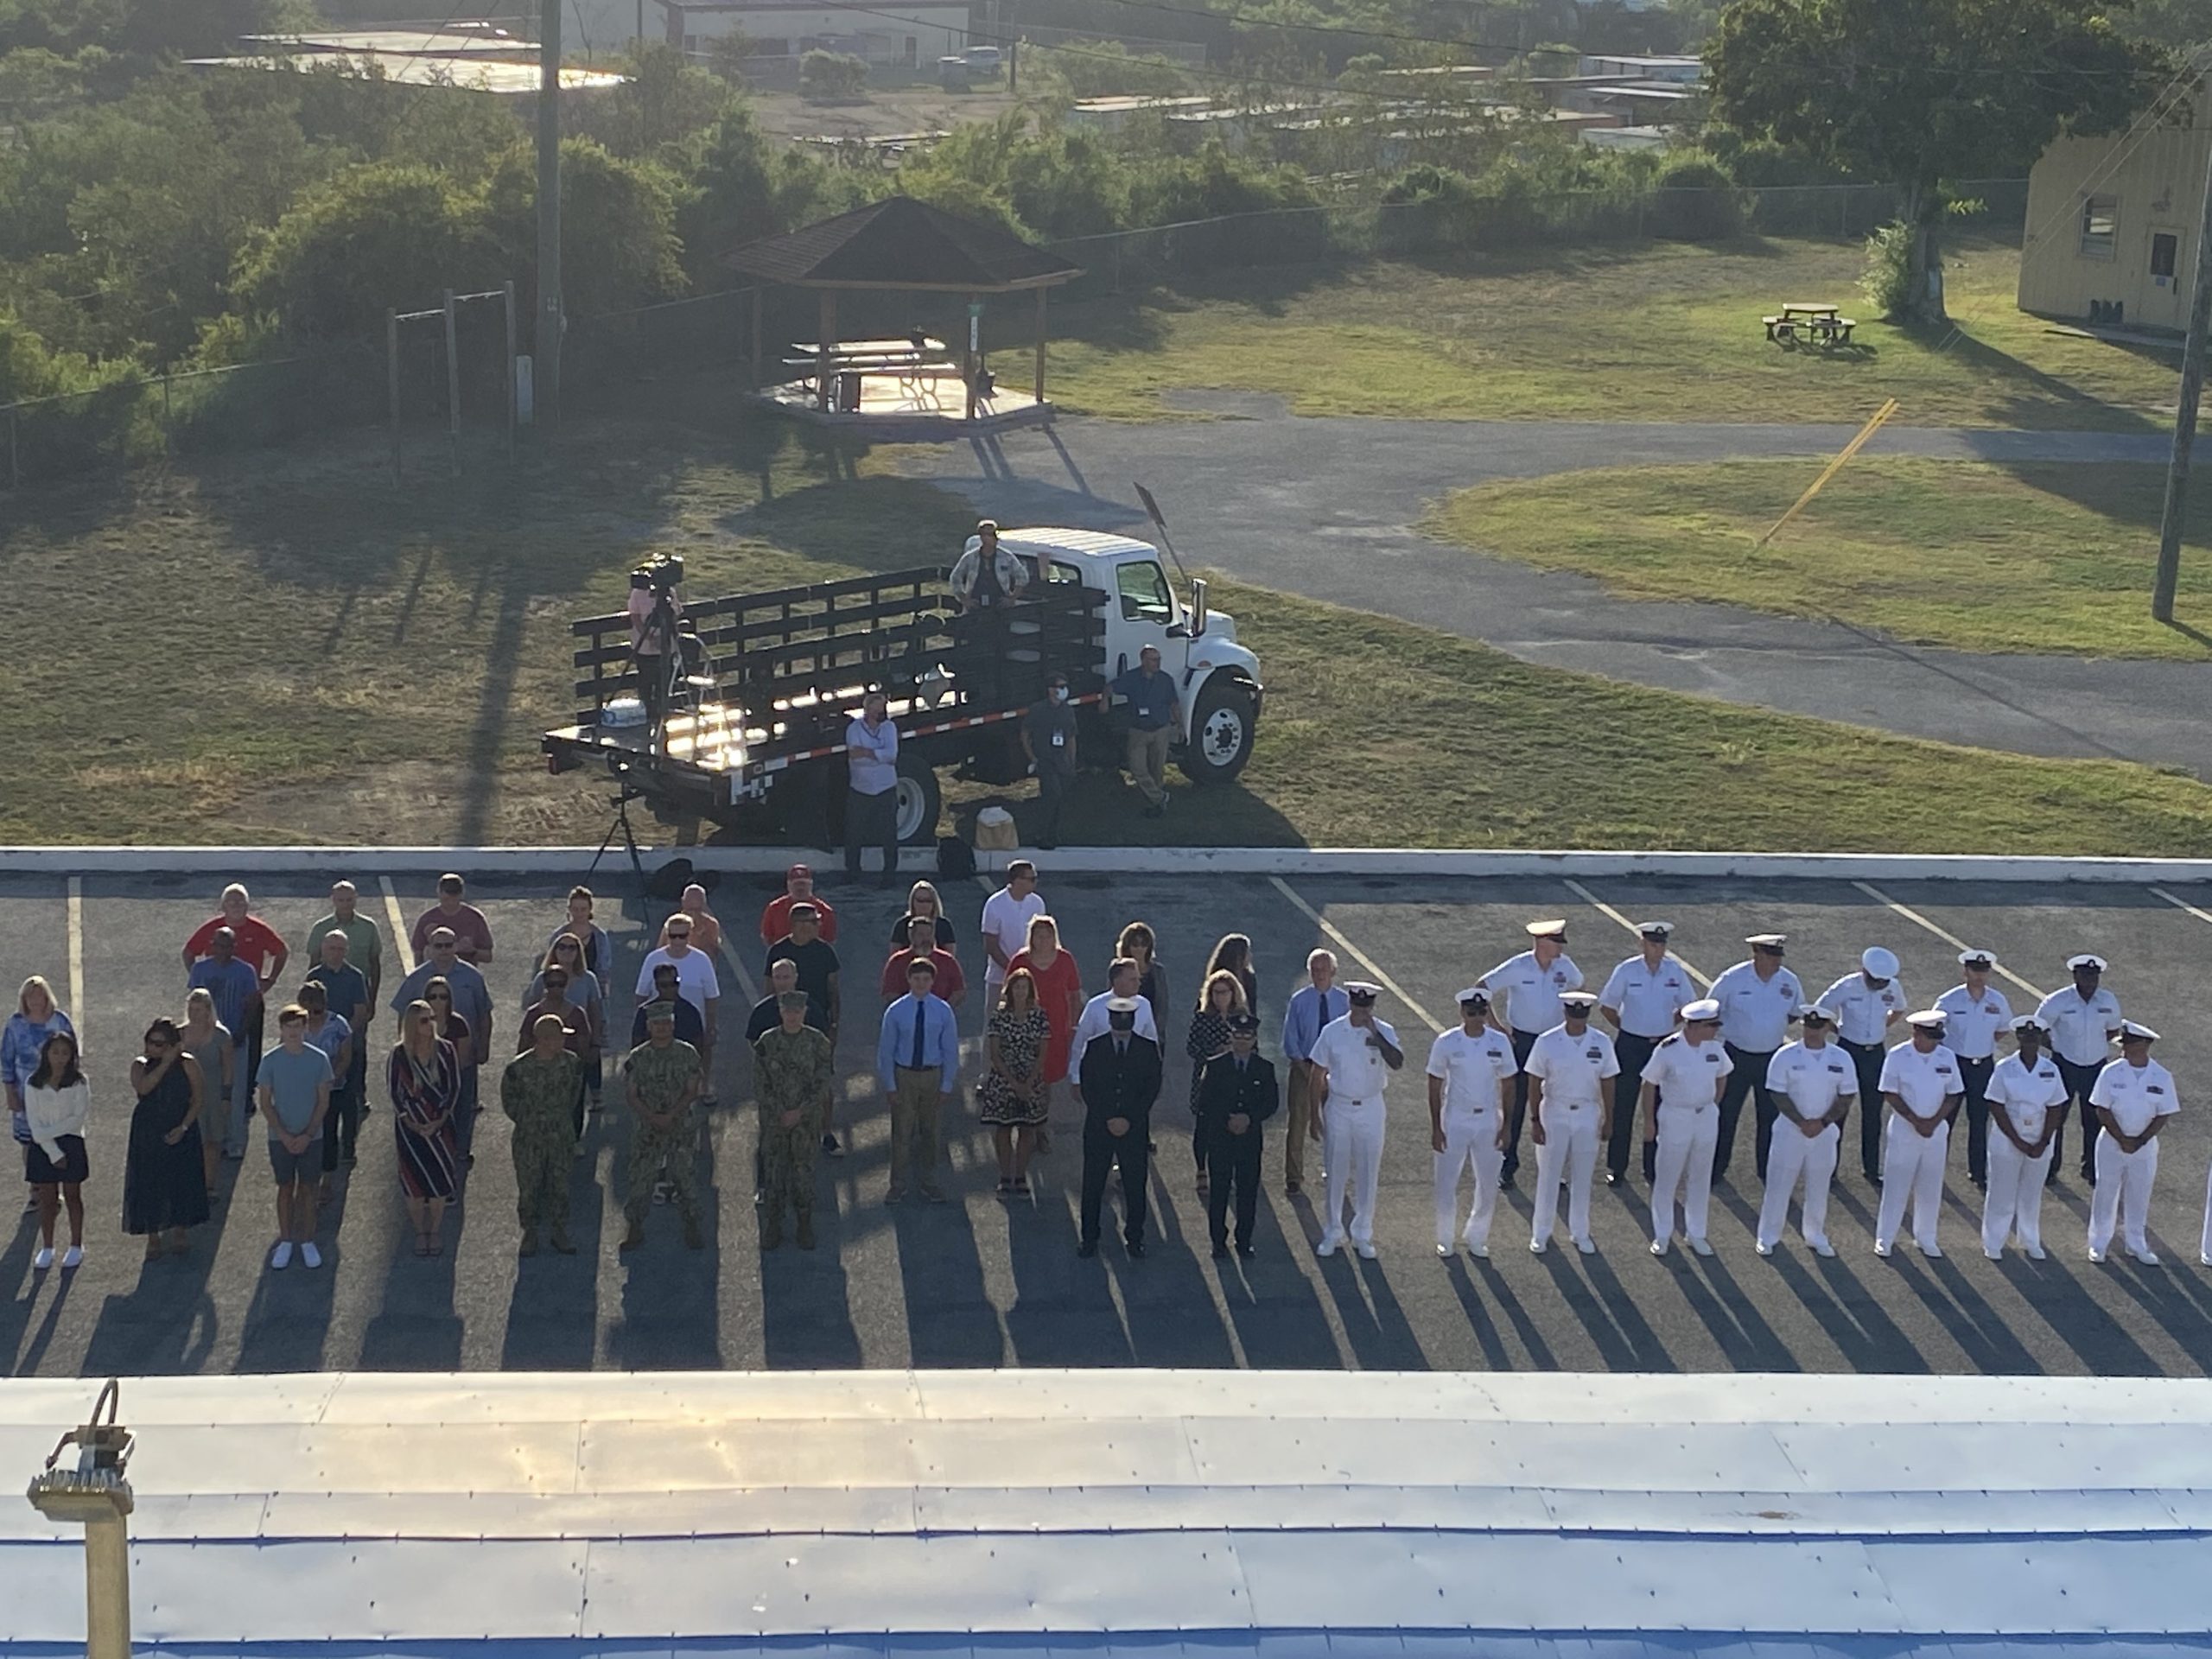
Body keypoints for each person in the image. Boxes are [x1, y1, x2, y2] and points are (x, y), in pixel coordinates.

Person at [1478, 919, 1585, 1187]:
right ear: (1542, 942)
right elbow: (1482, 987)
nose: (1560, 948)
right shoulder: (1519, 966)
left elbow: (1579, 987)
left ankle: (1552, 1167)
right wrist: (1497, 1026)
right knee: (1516, 1104)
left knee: (1553, 1102)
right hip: (1523, 1042)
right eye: (1556, 942)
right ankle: (1507, 1164)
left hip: (1554, 1043)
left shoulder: (1565, 967)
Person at [1597, 920, 1694, 1187]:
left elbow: (1688, 1007)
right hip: (1631, 1045)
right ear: (1642, 944)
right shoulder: (1627, 971)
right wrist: (1626, 1028)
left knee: (1660, 1107)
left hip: (1662, 1046)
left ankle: (1653, 1169)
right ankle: (1617, 1167)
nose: (1658, 949)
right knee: (1623, 1106)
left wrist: (1667, 1026)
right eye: (1653, 944)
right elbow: (1607, 1006)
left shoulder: (1674, 971)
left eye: (1662, 944)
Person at [1309, 982, 1402, 1259]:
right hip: (1339, 1106)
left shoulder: (1384, 1030)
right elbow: (1317, 1073)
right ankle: (1333, 1230)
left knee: (1368, 1171)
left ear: (1372, 1006)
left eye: (1367, 1006)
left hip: (1371, 1107)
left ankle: (1363, 1233)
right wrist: (1314, 1115)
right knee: (1336, 1171)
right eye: (1358, 1005)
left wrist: (1376, 1034)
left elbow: (1397, 1061)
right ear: (1350, 1003)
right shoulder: (1333, 1032)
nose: (1362, 1011)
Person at [1427, 987, 1518, 1259]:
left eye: (1481, 1012)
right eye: (1471, 1012)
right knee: (1446, 1181)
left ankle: (1477, 1235)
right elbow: (1434, 1083)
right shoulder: (1447, 1042)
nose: (1477, 1018)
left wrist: (1507, 1125)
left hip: (1488, 1118)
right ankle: (1445, 1237)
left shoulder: (1499, 1042)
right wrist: (1435, 1126)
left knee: (1488, 1183)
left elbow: (1509, 1083)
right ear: (1461, 1012)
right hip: (1455, 1117)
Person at [1525, 990, 1617, 1256]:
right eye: (1573, 1013)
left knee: (1583, 1176)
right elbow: (1533, 1080)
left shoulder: (1601, 1042)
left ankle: (1580, 1232)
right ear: (1565, 1012)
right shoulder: (1547, 1041)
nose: (1578, 1019)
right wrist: (1535, 1120)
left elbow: (1609, 1080)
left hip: (1587, 1112)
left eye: (1583, 1013)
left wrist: (1609, 1118)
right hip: (1555, 1110)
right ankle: (1541, 1232)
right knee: (1549, 1176)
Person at [1758, 1006, 1853, 1257]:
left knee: (1819, 1186)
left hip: (1824, 1133)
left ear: (1827, 1028)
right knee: (1779, 1184)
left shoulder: (1841, 1058)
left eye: (1817, 1027)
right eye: (1808, 1026)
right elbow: (1777, 1092)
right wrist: (1802, 1121)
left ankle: (1815, 1235)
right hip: (1790, 1130)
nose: (1811, 1032)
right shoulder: (1785, 1055)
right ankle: (1768, 1235)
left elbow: (1846, 1095)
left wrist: (1821, 1123)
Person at [1709, 935, 1802, 1186]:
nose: (1776, 962)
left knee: (1770, 1117)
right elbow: (1711, 1010)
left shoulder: (1788, 981)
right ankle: (1716, 1169)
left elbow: (1795, 1013)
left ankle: (1767, 1170)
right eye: (1771, 956)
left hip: (1771, 1058)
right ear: (1757, 954)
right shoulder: (1733, 979)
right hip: (1735, 1056)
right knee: (1726, 1114)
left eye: (1778, 956)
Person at [181, 884, 288, 1104]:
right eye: (232, 901)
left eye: (240, 901)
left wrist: (270, 980)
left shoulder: (258, 929)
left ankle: (247, 1092)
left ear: (248, 905)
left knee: (249, 1048)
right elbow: (189, 952)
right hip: (214, 1004)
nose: (237, 906)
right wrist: (198, 980)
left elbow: (281, 951)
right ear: (223, 906)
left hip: (250, 998)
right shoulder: (212, 928)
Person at [1642, 998, 1732, 1257]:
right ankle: (1662, 1234)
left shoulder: (1714, 1048)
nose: (1715, 1029)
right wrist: (1649, 1121)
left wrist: (1713, 1103)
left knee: (1701, 1177)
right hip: (1676, 1116)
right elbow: (1649, 1084)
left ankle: (1697, 1233)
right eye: (1711, 1025)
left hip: (1705, 1116)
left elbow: (1723, 1075)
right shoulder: (1668, 1049)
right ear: (1694, 1025)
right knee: (1667, 1177)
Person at [390, 930, 493, 1150]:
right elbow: (403, 1014)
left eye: (448, 945)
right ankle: (431, 1145)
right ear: (429, 948)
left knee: (464, 1105)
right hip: (423, 1057)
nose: (444, 950)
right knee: (430, 1104)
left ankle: (461, 1150)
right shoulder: (417, 978)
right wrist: (405, 1047)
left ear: (456, 946)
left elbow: (484, 1014)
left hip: (464, 1053)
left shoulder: (473, 977)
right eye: (438, 946)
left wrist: (484, 1046)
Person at [1077, 997, 1162, 1257]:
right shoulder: (1095, 1047)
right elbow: (1088, 1086)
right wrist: (1108, 1118)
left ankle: (1135, 1238)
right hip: (1100, 1126)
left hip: (1134, 1127)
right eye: (1117, 1023)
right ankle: (1089, 1238)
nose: (1122, 1029)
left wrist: (1128, 1119)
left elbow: (1151, 1088)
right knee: (1093, 1183)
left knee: (1135, 1185)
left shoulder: (1147, 1049)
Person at [1873, 1010, 1963, 1259]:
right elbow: (1890, 1092)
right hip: (1905, 1129)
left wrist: (1934, 1121)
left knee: (1931, 1186)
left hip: (1935, 1131)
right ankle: (1885, 1238)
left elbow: (1954, 1093)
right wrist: (1915, 1120)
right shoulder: (1898, 1056)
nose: (1934, 1042)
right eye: (1929, 1036)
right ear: (1916, 1032)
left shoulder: (1947, 1056)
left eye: (1936, 1036)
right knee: (1896, 1185)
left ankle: (1926, 1237)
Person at [2087, 1020, 2177, 1266]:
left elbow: (2163, 1114)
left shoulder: (2161, 1075)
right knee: (2106, 1191)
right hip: (2112, 1143)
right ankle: (2099, 1242)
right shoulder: (2111, 1071)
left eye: (2130, 1043)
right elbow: (2102, 1109)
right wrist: (2122, 1138)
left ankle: (2136, 1242)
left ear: (2145, 1044)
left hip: (2144, 1147)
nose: (2124, 1047)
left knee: (2139, 1194)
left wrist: (2141, 1140)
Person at [622, 1002, 706, 1251]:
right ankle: (635, 1228)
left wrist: (671, 1115)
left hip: (680, 1127)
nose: (662, 1028)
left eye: (666, 1023)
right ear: (649, 1027)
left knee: (685, 1178)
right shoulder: (637, 1057)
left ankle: (692, 1226)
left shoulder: (688, 1053)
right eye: (657, 1024)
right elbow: (631, 1094)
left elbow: (692, 1090)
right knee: (641, 1179)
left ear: (673, 1025)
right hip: (647, 1129)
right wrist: (652, 1117)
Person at [875, 957, 960, 1204]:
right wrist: (890, 1086)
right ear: (909, 980)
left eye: (926, 979)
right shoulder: (896, 1011)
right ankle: (898, 1183)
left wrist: (946, 1085)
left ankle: (929, 1181)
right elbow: (886, 1051)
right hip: (905, 1075)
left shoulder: (943, 1011)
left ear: (932, 981)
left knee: (931, 1131)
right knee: (902, 1131)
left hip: (931, 1075)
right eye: (916, 979)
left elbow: (950, 1050)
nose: (921, 983)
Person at [1982, 1014, 2067, 1261]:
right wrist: (2017, 1140)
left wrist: (2043, 1140)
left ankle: (2029, 1239)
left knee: (2032, 1193)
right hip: (2009, 1138)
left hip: (2040, 1137)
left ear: (2040, 1038)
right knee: (2001, 1192)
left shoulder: (2050, 1069)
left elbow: (2055, 1107)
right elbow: (1996, 1105)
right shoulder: (2005, 1068)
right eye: (2026, 1037)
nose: (2030, 1041)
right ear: (2018, 1038)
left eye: (2035, 1037)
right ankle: (1994, 1241)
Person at [1823, 947, 1908, 1188]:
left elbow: (1899, 1008)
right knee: (1838, 1110)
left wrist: (1883, 1026)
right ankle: (1830, 1169)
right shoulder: (1847, 986)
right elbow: (1821, 1009)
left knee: (1873, 1113)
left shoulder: (1892, 986)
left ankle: (1871, 1168)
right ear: (1864, 972)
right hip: (1848, 1051)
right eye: (1875, 980)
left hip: (1875, 1053)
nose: (1880, 985)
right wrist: (1838, 1030)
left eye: (1883, 981)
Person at [755, 990, 835, 1249]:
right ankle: (773, 1226)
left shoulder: (817, 1042)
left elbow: (823, 1082)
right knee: (774, 1175)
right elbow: (760, 1083)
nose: (792, 1016)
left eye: (797, 1012)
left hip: (806, 1122)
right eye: (788, 1011)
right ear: (781, 1012)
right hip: (774, 1122)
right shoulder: (767, 1042)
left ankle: (804, 1224)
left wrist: (800, 1112)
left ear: (804, 1013)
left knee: (803, 1175)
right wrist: (780, 1111)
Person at [124, 1017, 208, 1260]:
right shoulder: (140, 1065)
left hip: (180, 1127)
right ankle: (153, 1235)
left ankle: (180, 1230)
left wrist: (184, 1126)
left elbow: (198, 1097)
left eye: (161, 1044)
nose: (154, 1048)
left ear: (173, 1044)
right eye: (151, 1042)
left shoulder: (189, 1064)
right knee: (149, 1182)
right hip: (148, 1131)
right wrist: (164, 1063)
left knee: (181, 1179)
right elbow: (144, 1088)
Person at [1195, 1011, 1276, 1259]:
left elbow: (1271, 1102)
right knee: (1219, 1191)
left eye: (1247, 1036)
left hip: (1249, 1139)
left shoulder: (1264, 1068)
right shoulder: (1215, 1065)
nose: (1242, 1040)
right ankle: (1218, 1242)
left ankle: (1244, 1241)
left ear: (1254, 1039)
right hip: (1221, 1137)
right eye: (1238, 1035)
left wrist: (1249, 1118)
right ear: (1231, 1037)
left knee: (1247, 1191)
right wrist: (1228, 1120)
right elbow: (1205, 1102)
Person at [2035, 954, 2122, 1184]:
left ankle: (2092, 1168)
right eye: (2085, 975)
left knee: (2094, 1119)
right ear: (2075, 976)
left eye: (2093, 976)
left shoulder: (2108, 1000)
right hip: (2064, 1065)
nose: (2090, 980)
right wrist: (2056, 1048)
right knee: (2055, 1118)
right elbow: (2038, 1028)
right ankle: (2051, 1168)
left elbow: (2113, 1031)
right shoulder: (2058, 1000)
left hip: (2095, 1067)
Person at [258, 1003, 333, 1272]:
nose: (293, 1032)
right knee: (286, 1187)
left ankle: (307, 1240)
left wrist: (308, 1133)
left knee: (309, 1189)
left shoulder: (319, 1059)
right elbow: (266, 1102)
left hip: (312, 1137)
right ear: (281, 1029)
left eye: (297, 1027)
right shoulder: (270, 1060)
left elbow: (323, 1101)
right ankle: (287, 1240)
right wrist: (284, 1134)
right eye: (288, 1027)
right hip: (281, 1138)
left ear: (305, 1029)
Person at [503, 1013, 581, 1258]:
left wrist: (558, 1119)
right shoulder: (518, 1069)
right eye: (559, 1037)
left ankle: (559, 1231)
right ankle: (530, 1232)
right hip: (529, 1139)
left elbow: (574, 1097)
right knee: (529, 1187)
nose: (563, 1042)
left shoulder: (572, 1064)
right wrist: (529, 1120)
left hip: (561, 1137)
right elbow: (510, 1102)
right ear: (545, 1040)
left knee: (560, 1185)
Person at [1936, 949, 2013, 1189]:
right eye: (1975, 971)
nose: (1979, 976)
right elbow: (1935, 1029)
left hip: (1983, 1065)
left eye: (1983, 971)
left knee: (1979, 1120)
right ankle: (1936, 1170)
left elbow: (2002, 1029)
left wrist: (1982, 1046)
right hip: (1955, 1064)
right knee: (1945, 1120)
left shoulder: (1997, 1000)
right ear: (1965, 971)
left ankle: (1978, 1171)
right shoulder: (1949, 1000)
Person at [389, 999, 461, 1257]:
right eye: (423, 1020)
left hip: (441, 1127)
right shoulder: (399, 1054)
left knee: (440, 1182)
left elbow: (454, 1088)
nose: (430, 1024)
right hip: (411, 1129)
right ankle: (421, 1231)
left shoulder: (447, 1050)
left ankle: (435, 1230)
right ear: (411, 1024)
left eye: (432, 1018)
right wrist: (411, 1121)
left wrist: (439, 1120)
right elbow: (394, 1092)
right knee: (415, 1184)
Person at [188, 928, 263, 1160]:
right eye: (218, 945)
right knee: (205, 1090)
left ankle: (234, 1141)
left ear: (234, 947)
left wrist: (242, 1031)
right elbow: (193, 1003)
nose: (222, 950)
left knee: (236, 1092)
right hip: (205, 1039)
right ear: (212, 946)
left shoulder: (245, 971)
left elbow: (253, 1004)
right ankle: (205, 1139)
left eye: (227, 946)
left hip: (235, 1038)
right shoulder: (200, 969)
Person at [308, 884, 383, 1113]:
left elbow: (375, 964)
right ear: (333, 899)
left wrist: (372, 999)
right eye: (341, 900)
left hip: (356, 998)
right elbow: (312, 965)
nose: (345, 904)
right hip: (325, 1004)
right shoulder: (321, 928)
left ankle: (358, 1095)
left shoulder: (368, 927)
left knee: (357, 1050)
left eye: (349, 899)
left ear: (356, 899)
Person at [6, 976, 76, 1219]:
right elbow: (6, 1061)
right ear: (24, 999)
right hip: (25, 1094)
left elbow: (73, 1057)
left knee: (56, 1137)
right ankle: (36, 1188)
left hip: (55, 1093)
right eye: (30, 996)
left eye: (40, 996)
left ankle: (54, 1189)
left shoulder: (60, 1022)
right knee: (30, 1141)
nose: (35, 1001)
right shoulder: (15, 1025)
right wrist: (10, 1093)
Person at [1281, 949, 1348, 1198]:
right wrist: (1306, 1069)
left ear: (1333, 971)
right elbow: (1290, 1039)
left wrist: (1333, 1068)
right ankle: (1294, 1177)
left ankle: (1333, 1170)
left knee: (1337, 1123)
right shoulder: (1299, 1001)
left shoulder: (1345, 1002)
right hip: (1304, 1068)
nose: (1319, 974)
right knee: (1298, 1122)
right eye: (1315, 970)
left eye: (1323, 969)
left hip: (1337, 1071)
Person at [980, 969, 1052, 1194]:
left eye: (1024, 987)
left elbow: (1043, 1053)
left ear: (1031, 990)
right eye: (1017, 987)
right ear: (1009, 990)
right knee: (1003, 1129)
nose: (1020, 992)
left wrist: (1028, 1082)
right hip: (1004, 1080)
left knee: (1027, 1129)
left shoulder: (1040, 1016)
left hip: (1031, 1079)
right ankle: (1004, 1175)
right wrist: (1012, 1081)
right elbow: (995, 1053)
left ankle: (1020, 1175)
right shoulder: (998, 1016)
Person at [22, 1030, 89, 1272]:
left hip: (71, 1144)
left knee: (73, 1196)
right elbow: (35, 1125)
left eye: (65, 1053)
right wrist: (53, 1151)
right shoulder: (33, 1083)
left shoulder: (80, 1082)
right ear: (46, 1054)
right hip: (43, 1148)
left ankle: (76, 1244)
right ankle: (48, 1247)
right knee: (47, 1200)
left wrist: (50, 1136)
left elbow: (76, 1119)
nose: (60, 1058)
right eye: (55, 1052)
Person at [638, 914, 722, 1104]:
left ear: (690, 935)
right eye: (673, 936)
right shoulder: (653, 959)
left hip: (692, 1022)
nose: (677, 941)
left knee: (700, 1055)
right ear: (667, 935)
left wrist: (711, 1025)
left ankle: (704, 1087)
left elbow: (712, 996)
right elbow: (641, 994)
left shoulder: (702, 960)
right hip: (660, 1023)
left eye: (682, 936)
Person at [1008, 915, 1084, 1118]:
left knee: (1047, 1077)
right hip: (1025, 1027)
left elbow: (1075, 994)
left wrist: (1074, 1024)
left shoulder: (1065, 959)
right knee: (1026, 1072)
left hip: (1056, 1026)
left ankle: (1041, 1122)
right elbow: (1008, 995)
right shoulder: (1020, 961)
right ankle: (1027, 1120)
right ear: (1031, 938)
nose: (1043, 941)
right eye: (1038, 936)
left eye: (1047, 936)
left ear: (1054, 937)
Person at [1184, 969, 1249, 1198]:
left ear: (1233, 993)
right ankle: (1202, 1170)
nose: (1220, 997)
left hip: (1232, 1083)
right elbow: (1192, 1048)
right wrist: (1216, 1053)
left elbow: (1254, 1048)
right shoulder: (1202, 1018)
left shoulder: (1241, 1019)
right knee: (1203, 1128)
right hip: (1206, 1080)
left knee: (1227, 1129)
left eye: (1225, 992)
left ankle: (1223, 1172)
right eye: (1216, 993)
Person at [528, 934, 605, 1122]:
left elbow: (595, 1011)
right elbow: (533, 1011)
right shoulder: (542, 978)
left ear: (579, 952)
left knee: (575, 1096)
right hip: (547, 1046)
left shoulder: (588, 979)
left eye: (572, 948)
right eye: (562, 947)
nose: (567, 951)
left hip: (578, 1043)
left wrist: (596, 1041)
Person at [303, 929, 371, 1139]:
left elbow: (360, 1012)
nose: (335, 952)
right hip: (318, 1045)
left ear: (346, 951)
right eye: (331, 948)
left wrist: (341, 1035)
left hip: (348, 1043)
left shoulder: (355, 976)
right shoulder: (314, 976)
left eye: (340, 949)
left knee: (348, 1098)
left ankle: (348, 1144)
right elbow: (305, 1008)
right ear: (323, 949)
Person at [298, 982, 354, 1197]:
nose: (312, 1014)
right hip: (303, 1090)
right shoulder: (297, 1024)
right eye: (307, 1009)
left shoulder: (338, 1025)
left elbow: (345, 1058)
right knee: (305, 1132)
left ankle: (327, 1179)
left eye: (317, 1009)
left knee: (328, 1133)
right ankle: (306, 1177)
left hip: (331, 1089)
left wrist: (330, 1079)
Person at [1110, 645, 1179, 819]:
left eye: (1159, 659)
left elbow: (1173, 703)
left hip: (1160, 730)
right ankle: (1160, 797)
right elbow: (1111, 687)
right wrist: (1104, 700)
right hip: (1138, 731)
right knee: (1137, 768)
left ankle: (1156, 804)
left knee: (1157, 769)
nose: (1157, 663)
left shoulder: (1165, 680)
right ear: (1144, 661)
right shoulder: (1131, 678)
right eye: (1154, 660)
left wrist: (1179, 725)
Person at [180, 988, 233, 1200]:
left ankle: (209, 1185)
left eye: (199, 1009)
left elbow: (228, 1068)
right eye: (191, 1009)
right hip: (187, 1095)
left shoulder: (221, 1036)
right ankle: (190, 1184)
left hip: (212, 1092)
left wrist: (226, 1096)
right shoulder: (179, 1034)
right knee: (192, 1141)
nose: (194, 1014)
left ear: (208, 1010)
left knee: (213, 1141)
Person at [844, 690, 901, 887]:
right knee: (854, 832)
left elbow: (892, 756)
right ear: (867, 710)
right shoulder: (854, 729)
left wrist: (868, 752)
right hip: (861, 789)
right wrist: (879, 756)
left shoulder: (889, 728)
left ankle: (890, 875)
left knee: (889, 834)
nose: (881, 713)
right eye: (877, 710)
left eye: (883, 709)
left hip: (886, 788)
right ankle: (852, 873)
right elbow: (855, 758)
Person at [627, 565, 686, 746]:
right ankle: (647, 714)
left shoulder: (668, 593)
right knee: (646, 680)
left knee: (664, 680)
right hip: (645, 646)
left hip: (665, 645)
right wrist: (650, 636)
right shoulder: (638, 593)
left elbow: (674, 613)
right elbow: (635, 617)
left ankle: (663, 714)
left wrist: (665, 636)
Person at [1023, 671, 1078, 849]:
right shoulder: (1038, 710)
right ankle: (1043, 834)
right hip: (1045, 759)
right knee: (1052, 794)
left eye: (1065, 687)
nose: (1063, 690)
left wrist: (1072, 761)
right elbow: (1025, 734)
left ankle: (1053, 833)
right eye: (1060, 687)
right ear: (1050, 690)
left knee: (1059, 799)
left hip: (1062, 759)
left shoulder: (1067, 710)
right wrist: (1032, 758)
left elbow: (1071, 737)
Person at [980, 861, 1047, 1003]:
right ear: (1017, 880)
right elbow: (991, 944)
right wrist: (1013, 968)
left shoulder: (1038, 903)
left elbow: (1042, 937)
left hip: (1032, 978)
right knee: (994, 1020)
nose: (1035, 882)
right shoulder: (994, 904)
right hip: (999, 978)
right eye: (1031, 879)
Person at [1074, 958, 1161, 1056]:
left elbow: (1151, 1040)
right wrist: (1075, 1070)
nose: (1138, 984)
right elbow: (1080, 1044)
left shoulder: (1144, 1005)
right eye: (1133, 980)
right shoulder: (1095, 1006)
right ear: (1116, 981)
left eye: (1138, 979)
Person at [411, 873, 495, 966]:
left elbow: (488, 956)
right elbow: (418, 954)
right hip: (434, 974)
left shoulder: (475, 918)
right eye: (447, 899)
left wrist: (472, 951)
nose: (451, 903)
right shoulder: (427, 919)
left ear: (462, 894)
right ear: (439, 892)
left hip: (464, 974)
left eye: (454, 898)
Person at [881, 915, 965, 1007]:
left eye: (929, 934)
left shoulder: (947, 961)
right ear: (911, 936)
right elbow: (890, 992)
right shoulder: (897, 961)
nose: (926, 938)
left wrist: (942, 1009)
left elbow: (958, 991)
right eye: (920, 934)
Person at [950, 518, 1030, 612]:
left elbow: (1022, 576)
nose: (993, 538)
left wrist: (1012, 598)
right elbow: (955, 577)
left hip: (1000, 605)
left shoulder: (1006, 557)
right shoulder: (970, 557)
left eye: (994, 534)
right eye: (988, 535)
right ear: (982, 537)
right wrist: (964, 600)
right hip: (975, 605)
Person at [762, 864, 838, 950]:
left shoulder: (825, 912)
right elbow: (767, 937)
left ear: (811, 885)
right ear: (788, 885)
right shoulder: (774, 909)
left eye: (803, 883)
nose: (800, 888)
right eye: (796, 884)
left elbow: (829, 940)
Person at [548, 885, 615, 980]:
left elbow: (604, 968)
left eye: (583, 909)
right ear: (569, 909)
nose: (579, 914)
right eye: (575, 909)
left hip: (590, 987)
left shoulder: (600, 937)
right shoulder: (558, 935)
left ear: (590, 909)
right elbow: (550, 964)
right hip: (562, 985)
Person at [642, 961, 711, 1050]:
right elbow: (636, 1047)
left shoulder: (690, 1012)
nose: (670, 989)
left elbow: (698, 1047)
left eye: (674, 983)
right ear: (656, 986)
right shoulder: (645, 1012)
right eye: (664, 985)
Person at [1117, 922, 1169, 1030]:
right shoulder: (1118, 969)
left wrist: (1157, 1034)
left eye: (1144, 944)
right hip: (1123, 1028)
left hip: (1152, 1031)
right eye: (1135, 944)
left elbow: (1162, 1007)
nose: (1140, 948)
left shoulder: (1158, 972)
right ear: (1127, 946)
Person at [1203, 934, 1260, 1020]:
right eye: (1247, 952)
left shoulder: (1248, 978)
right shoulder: (1217, 978)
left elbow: (1251, 1009)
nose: (1250, 956)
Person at [658, 884, 724, 957]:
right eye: (690, 910)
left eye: (697, 910)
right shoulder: (673, 923)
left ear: (704, 905)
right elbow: (660, 951)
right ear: (683, 903)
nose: (693, 915)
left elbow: (713, 955)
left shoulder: (711, 925)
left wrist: (702, 936)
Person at [889, 880, 955, 954]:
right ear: (912, 902)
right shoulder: (902, 925)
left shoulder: (944, 925)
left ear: (934, 903)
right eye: (920, 900)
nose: (924, 904)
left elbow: (950, 957)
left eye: (928, 900)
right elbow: (895, 956)